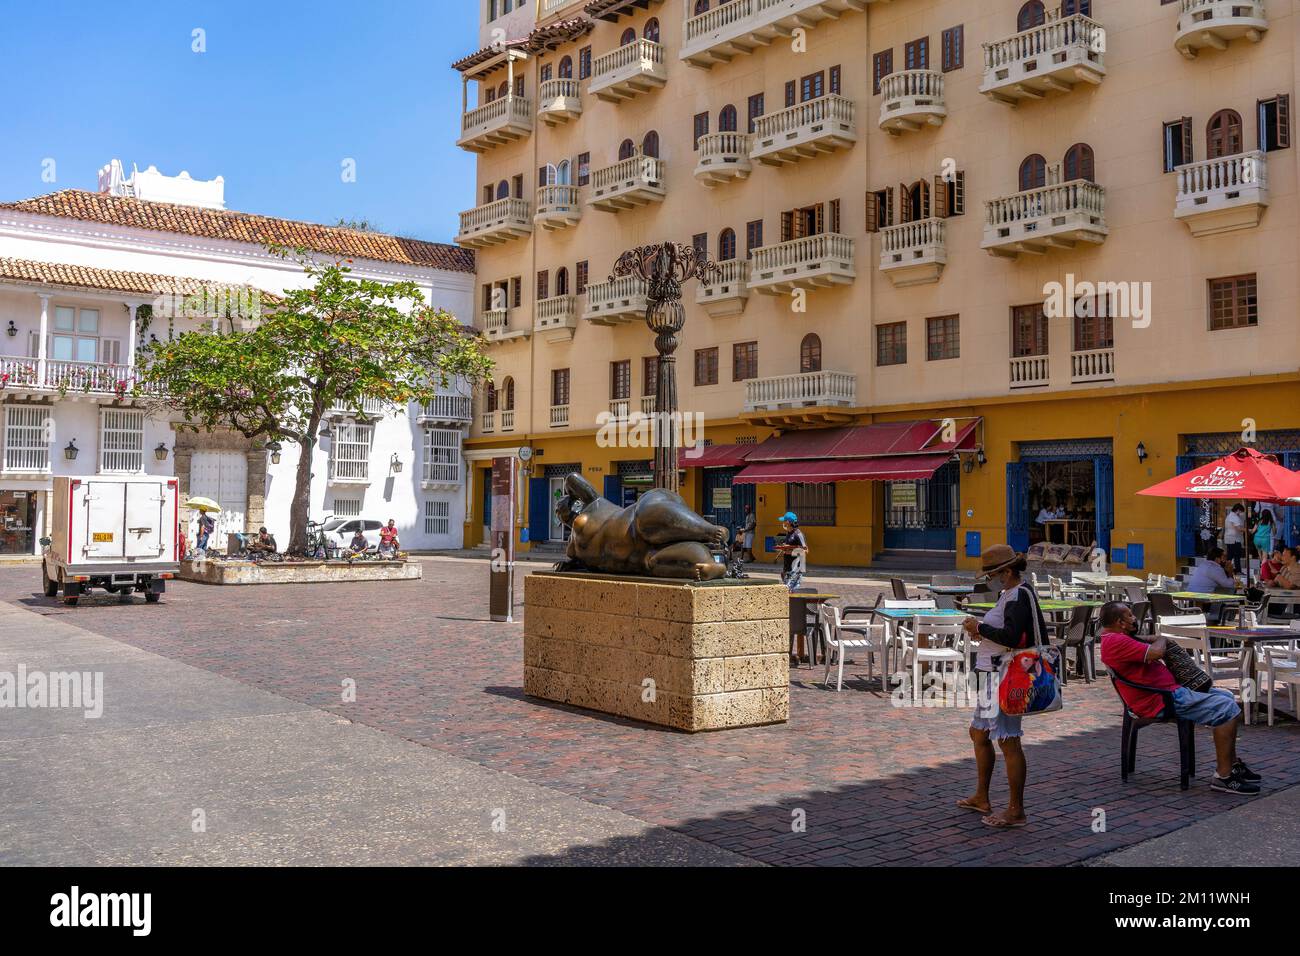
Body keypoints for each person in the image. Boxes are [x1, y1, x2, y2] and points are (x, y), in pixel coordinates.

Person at [1099, 601, 1260, 795]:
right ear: (1120, 622)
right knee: (1226, 708)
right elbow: (1158, 651)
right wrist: (1161, 638)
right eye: (1130, 616)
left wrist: (1155, 638)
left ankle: (1232, 764)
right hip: (1161, 700)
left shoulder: (1118, 638)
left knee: (1226, 697)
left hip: (1168, 692)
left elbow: (1146, 643)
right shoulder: (1117, 641)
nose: (1135, 618)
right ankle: (1223, 776)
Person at [957, 544, 1049, 829]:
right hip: (991, 673)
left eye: (992, 575)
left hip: (1004, 675)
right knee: (979, 733)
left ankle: (1015, 809)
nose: (989, 581)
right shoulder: (1010, 594)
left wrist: (979, 629)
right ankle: (982, 796)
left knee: (1009, 740)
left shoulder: (1019, 595)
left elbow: (1014, 638)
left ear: (1006, 572)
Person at [775, 512, 807, 591]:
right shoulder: (789, 533)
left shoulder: (798, 534)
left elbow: (805, 550)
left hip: (795, 569)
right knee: (787, 592)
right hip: (787, 568)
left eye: (784, 521)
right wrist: (784, 548)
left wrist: (790, 550)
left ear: (788, 522)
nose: (783, 523)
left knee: (791, 592)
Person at [1224, 504, 1246, 571]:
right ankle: (1238, 570)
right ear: (1238, 510)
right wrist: (1248, 530)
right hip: (1234, 539)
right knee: (1236, 556)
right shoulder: (1234, 517)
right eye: (1241, 511)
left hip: (1229, 538)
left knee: (1230, 556)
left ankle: (1226, 570)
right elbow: (1238, 528)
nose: (1241, 513)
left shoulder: (1229, 516)